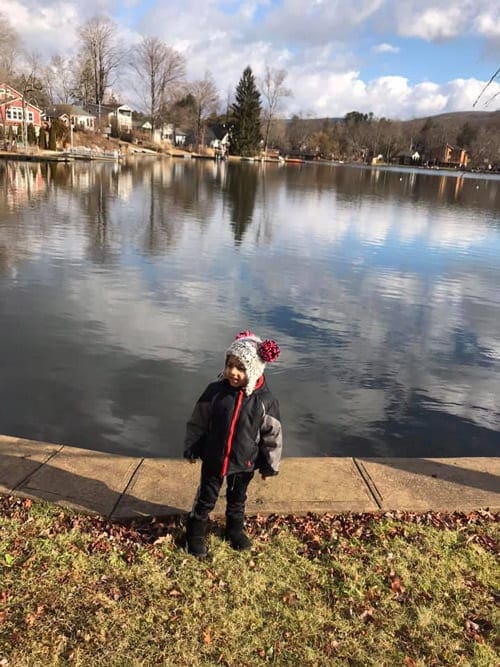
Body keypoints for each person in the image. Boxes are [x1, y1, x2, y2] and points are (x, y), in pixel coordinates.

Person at [183, 330, 282, 557]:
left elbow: (272, 437)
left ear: (255, 370)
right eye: (230, 365)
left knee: (238, 499)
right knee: (206, 498)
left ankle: (234, 530)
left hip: (244, 461)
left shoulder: (265, 401)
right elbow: (198, 421)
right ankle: (195, 533)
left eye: (241, 368)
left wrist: (270, 466)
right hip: (214, 458)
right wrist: (192, 446)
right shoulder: (215, 392)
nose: (232, 372)